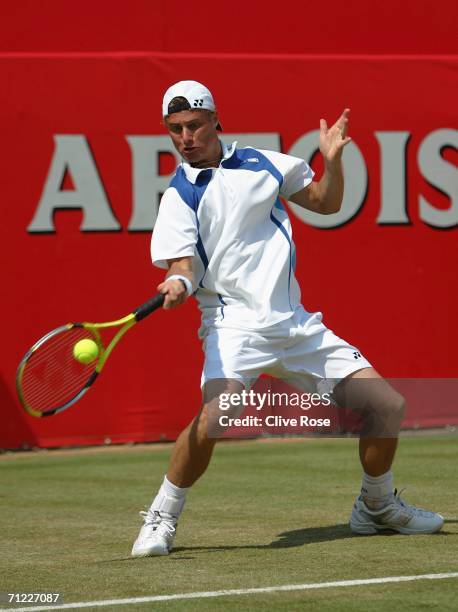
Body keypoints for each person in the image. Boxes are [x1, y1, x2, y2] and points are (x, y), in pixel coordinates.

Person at [131, 80, 443, 557]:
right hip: (231, 325)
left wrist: (333, 162)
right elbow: (182, 267)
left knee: (388, 405)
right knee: (218, 414)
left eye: (193, 125)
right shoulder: (178, 195)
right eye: (175, 130)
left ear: (216, 120)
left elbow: (325, 201)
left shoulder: (264, 163)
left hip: (295, 325)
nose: (185, 137)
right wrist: (176, 283)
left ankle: (377, 507)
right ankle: (160, 517)